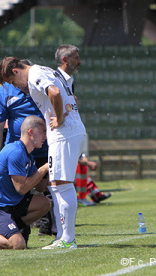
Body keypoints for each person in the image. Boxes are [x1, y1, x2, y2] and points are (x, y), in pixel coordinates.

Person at [0, 47, 86, 249]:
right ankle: (63, 236)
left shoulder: (35, 73)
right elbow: (72, 98)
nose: (18, 87)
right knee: (55, 185)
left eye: (13, 82)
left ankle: (68, 239)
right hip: (69, 132)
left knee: (61, 185)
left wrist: (60, 117)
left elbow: (54, 92)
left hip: (65, 134)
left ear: (16, 71)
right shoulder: (45, 70)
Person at [0, 116, 50, 249]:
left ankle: (12, 227)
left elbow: (39, 186)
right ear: (31, 132)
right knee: (18, 244)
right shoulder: (16, 152)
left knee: (45, 203)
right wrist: (44, 168)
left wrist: (60, 178)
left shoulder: (27, 154)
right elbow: (22, 188)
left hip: (9, 204)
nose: (46, 136)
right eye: (43, 131)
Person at [54, 45, 111, 206]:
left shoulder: (69, 81)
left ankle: (62, 223)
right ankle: (56, 223)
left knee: (68, 178)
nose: (80, 61)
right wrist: (59, 118)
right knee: (61, 181)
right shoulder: (55, 80)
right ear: (65, 60)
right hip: (60, 134)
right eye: (76, 58)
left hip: (71, 132)